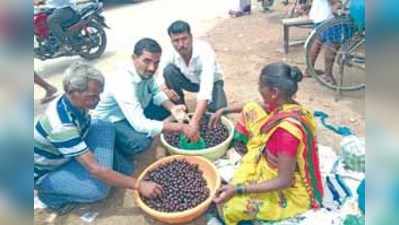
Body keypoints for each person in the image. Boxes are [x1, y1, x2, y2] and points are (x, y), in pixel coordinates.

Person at [34, 62, 163, 214]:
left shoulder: (75, 104)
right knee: (98, 190)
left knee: (105, 126)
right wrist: (139, 185)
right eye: (92, 96)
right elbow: (95, 170)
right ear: (72, 92)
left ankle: (104, 168)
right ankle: (49, 197)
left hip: (68, 153)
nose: (98, 100)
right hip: (47, 171)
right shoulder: (61, 126)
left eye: (99, 94)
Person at [209, 62, 323, 225]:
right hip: (273, 150)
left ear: (274, 92)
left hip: (287, 185)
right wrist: (224, 110)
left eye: (260, 86)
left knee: (230, 206)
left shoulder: (286, 133)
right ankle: (249, 152)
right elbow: (256, 105)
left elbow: (285, 181)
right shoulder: (287, 105)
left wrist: (238, 189)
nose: (258, 89)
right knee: (251, 108)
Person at [93, 38, 193, 165]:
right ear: (134, 58)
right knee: (141, 141)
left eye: (156, 63)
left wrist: (173, 108)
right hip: (113, 120)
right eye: (147, 61)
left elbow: (156, 92)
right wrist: (180, 127)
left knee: (170, 106)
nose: (152, 68)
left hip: (136, 108)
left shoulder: (145, 72)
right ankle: (116, 147)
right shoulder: (123, 82)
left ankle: (158, 125)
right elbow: (139, 124)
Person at [159, 20, 227, 141]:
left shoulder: (204, 51)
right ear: (171, 41)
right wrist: (165, 89)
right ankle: (181, 109)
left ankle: (200, 113)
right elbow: (159, 74)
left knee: (217, 114)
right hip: (190, 82)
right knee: (169, 71)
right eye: (176, 40)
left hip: (213, 83)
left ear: (191, 37)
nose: (181, 44)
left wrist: (195, 122)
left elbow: (206, 88)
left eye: (184, 39)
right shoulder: (171, 52)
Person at [305, 0, 351, 84]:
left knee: (319, 39)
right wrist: (335, 3)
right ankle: (328, 74)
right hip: (328, 14)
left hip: (321, 13)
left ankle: (309, 69)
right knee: (333, 43)